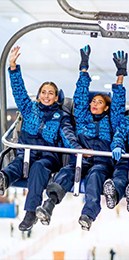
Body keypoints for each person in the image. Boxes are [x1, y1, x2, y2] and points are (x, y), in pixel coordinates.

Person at [35, 46, 126, 231]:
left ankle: (88, 214)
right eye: (94, 101)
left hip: (101, 162)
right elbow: (81, 95)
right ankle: (49, 204)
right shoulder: (83, 118)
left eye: (99, 102)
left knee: (94, 178)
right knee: (66, 173)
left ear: (106, 108)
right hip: (80, 158)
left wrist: (120, 75)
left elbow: (118, 104)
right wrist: (83, 67)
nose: (94, 104)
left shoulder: (112, 121)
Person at [0, 46, 81, 231]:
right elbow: (19, 92)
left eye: (50, 93)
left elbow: (68, 136)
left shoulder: (61, 116)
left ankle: (30, 213)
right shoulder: (29, 110)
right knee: (16, 164)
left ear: (56, 98)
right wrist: (13, 67)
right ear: (39, 95)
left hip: (47, 157)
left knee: (37, 168)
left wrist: (78, 149)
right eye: (43, 92)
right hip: (26, 153)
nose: (46, 95)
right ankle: (3, 178)